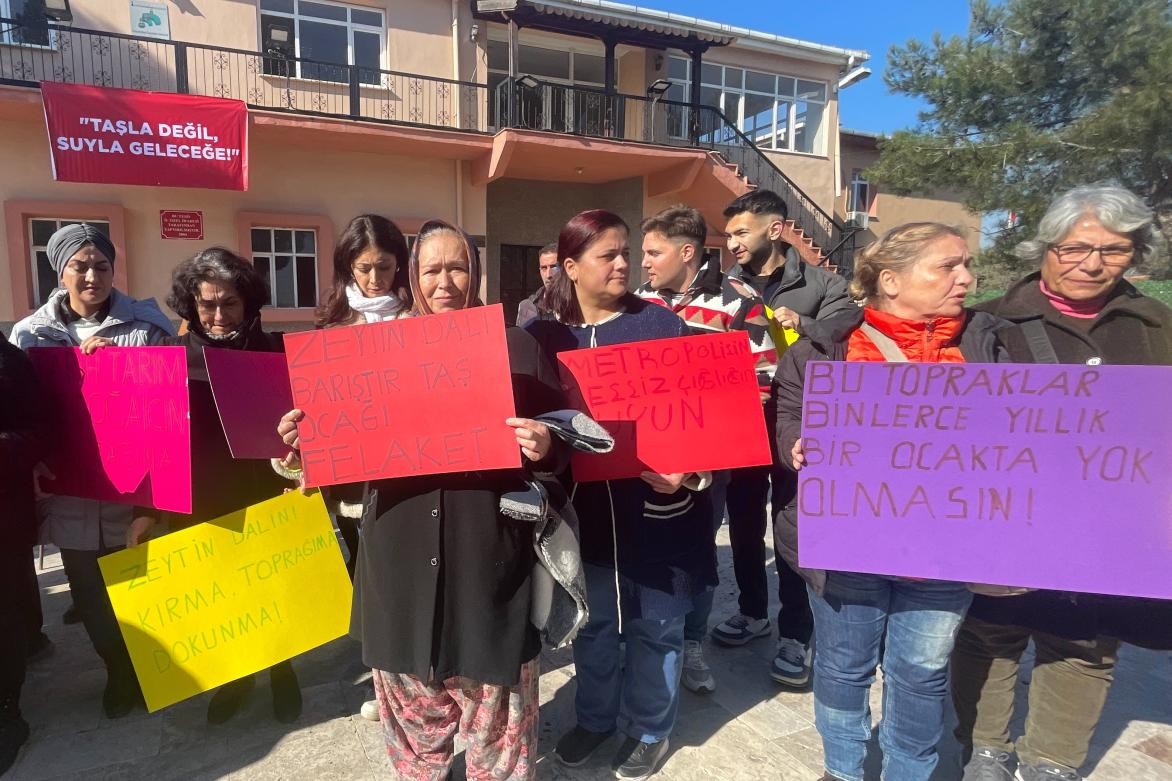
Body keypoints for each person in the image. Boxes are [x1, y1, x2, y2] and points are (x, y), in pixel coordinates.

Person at [278, 219, 569, 781]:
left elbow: (564, 450)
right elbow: (336, 462)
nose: (445, 282)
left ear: (476, 272)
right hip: (399, 563)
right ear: (412, 276)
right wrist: (302, 447)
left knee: (499, 728)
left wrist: (546, 445)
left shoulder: (516, 347)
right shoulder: (369, 353)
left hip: (487, 564)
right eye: (431, 269)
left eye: (457, 266)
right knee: (414, 733)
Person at [951, 184, 1172, 781]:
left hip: (1113, 517)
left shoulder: (1159, 327)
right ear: (1046, 247)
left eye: (1114, 250)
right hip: (1008, 507)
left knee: (1085, 640)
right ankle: (984, 749)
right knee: (990, 628)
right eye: (1075, 249)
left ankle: (1052, 760)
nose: (1092, 264)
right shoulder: (987, 323)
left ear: (1136, 254)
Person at [774, 222, 1004, 781]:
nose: (966, 279)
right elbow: (787, 412)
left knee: (921, 673)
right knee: (843, 665)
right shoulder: (825, 345)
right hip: (850, 543)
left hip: (944, 549)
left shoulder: (991, 344)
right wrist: (795, 445)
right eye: (947, 266)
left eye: (966, 265)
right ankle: (844, 768)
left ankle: (910, 770)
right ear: (891, 280)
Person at [528, 209, 716, 780]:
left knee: (656, 625)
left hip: (657, 509)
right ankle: (595, 718)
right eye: (606, 255)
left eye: (625, 252)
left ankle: (649, 728)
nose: (622, 264)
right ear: (570, 266)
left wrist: (691, 471)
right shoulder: (543, 335)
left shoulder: (659, 325)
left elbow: (706, 420)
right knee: (593, 623)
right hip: (582, 515)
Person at [101, 248, 302, 725]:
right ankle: (235, 678)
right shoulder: (169, 357)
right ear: (190, 304)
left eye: (228, 303)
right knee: (225, 600)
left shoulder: (278, 353)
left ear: (248, 303)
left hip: (268, 493)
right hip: (202, 501)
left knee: (274, 592)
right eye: (206, 304)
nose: (216, 315)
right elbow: (150, 439)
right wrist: (144, 511)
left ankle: (282, 671)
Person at [9, 223, 175, 719]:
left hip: (131, 484)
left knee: (137, 583)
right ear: (59, 271)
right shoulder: (30, 335)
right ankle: (117, 672)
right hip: (71, 488)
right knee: (88, 588)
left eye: (101, 265)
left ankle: (147, 667)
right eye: (79, 266)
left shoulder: (146, 328)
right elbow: (22, 411)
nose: (91, 276)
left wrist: (116, 371)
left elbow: (166, 412)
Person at [713, 190, 855, 686]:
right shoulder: (722, 287)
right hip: (742, 423)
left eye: (741, 232)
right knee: (745, 527)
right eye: (728, 234)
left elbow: (847, 345)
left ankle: (797, 634)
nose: (732, 243)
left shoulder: (824, 285)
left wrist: (806, 324)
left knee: (793, 528)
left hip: (798, 426)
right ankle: (753, 612)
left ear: (775, 230)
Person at [634, 204, 777, 695]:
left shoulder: (741, 301)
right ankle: (649, 640)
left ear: (687, 251)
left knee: (697, 553)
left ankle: (691, 642)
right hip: (645, 462)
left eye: (653, 252)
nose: (645, 262)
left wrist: (702, 456)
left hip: (707, 466)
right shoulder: (638, 302)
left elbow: (764, 380)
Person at [314, 214, 413, 723]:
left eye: (386, 267)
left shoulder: (417, 322)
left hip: (410, 479)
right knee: (367, 586)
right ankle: (384, 682)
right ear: (347, 267)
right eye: (364, 269)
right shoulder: (331, 328)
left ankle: (417, 683)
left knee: (408, 584)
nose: (375, 280)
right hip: (355, 484)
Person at [0, 330, 51, 774]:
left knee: (6, 612)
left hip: (4, 517)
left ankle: (7, 709)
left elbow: (42, 430)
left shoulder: (11, 362)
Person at [515, 242, 559, 326]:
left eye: (554, 267)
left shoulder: (583, 303)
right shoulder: (528, 306)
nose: (548, 275)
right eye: (544, 268)